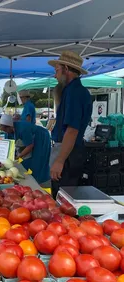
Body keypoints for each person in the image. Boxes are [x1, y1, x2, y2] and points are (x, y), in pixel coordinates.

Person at [48, 51, 93, 199]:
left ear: (66, 69)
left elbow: (72, 130)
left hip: (67, 152)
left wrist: (60, 160)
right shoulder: (74, 91)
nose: (55, 76)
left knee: (63, 198)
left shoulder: (74, 92)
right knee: (65, 195)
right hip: (70, 150)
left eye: (57, 70)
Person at [0, 114, 51, 185]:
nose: (5, 132)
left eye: (5, 130)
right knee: (26, 159)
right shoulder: (8, 131)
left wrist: (19, 156)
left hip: (41, 137)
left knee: (38, 160)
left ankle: (41, 182)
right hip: (30, 138)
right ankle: (31, 174)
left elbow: (29, 146)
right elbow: (9, 145)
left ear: (10, 127)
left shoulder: (23, 129)